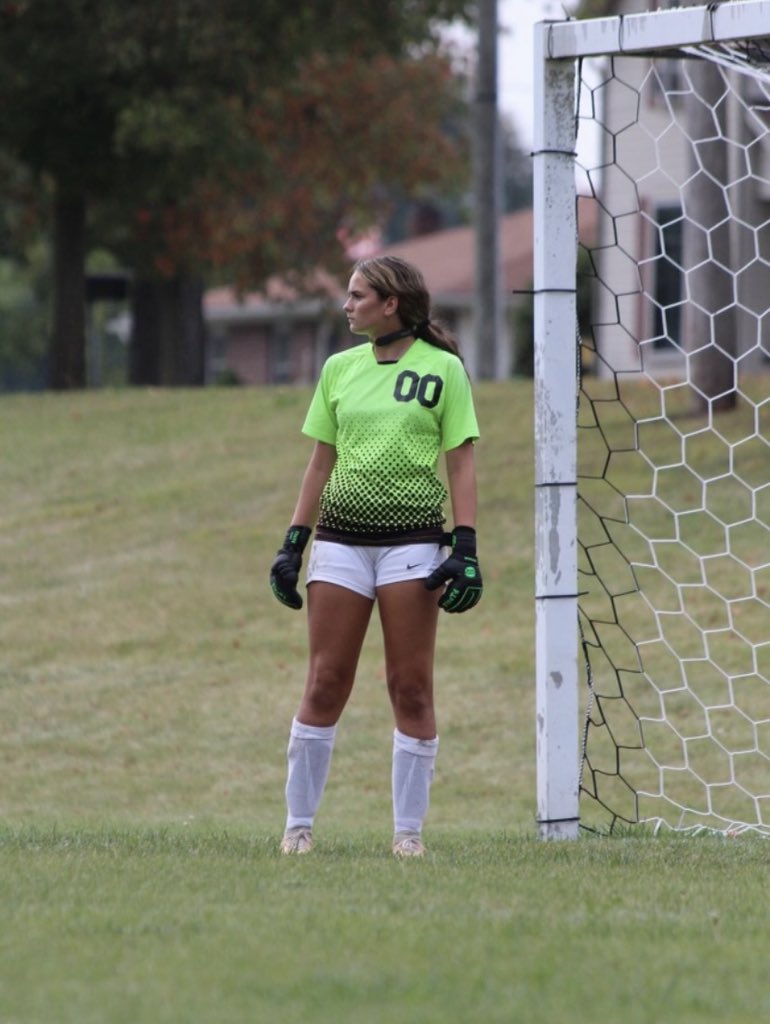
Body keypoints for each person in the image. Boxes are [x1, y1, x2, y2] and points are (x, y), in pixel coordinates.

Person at [269, 254, 482, 858]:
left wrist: (465, 545)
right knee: (325, 680)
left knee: (410, 687)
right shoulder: (339, 369)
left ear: (391, 304)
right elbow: (320, 462)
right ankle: (297, 828)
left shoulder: (444, 370)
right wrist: (293, 542)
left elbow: (461, 461)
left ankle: (408, 836)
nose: (347, 304)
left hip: (413, 545)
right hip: (340, 542)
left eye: (358, 295)